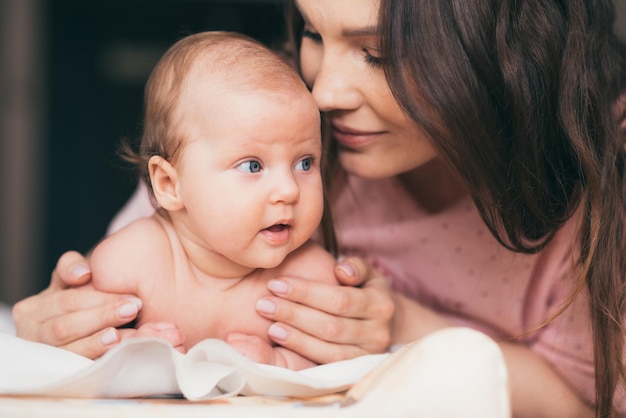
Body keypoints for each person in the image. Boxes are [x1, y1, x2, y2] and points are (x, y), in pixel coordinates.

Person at [12, 0, 626, 415]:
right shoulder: (266, 122)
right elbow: (156, 262)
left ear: (506, 54)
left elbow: (578, 403)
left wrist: (401, 327)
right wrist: (60, 327)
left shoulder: (587, 187)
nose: (323, 91)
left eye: (376, 54)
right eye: (312, 32)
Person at [74, 30, 339, 370]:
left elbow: (335, 364)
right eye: (253, 166)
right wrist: (125, 348)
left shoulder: (308, 277)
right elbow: (78, 350)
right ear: (169, 184)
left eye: (305, 162)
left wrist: (282, 361)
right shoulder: (130, 262)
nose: (289, 190)